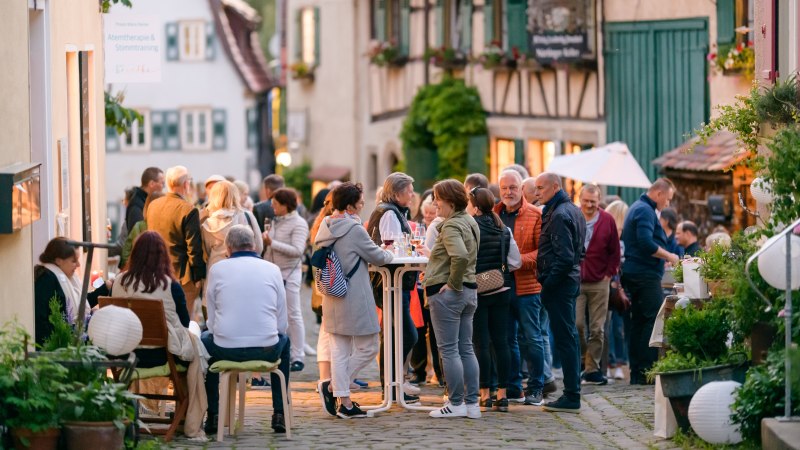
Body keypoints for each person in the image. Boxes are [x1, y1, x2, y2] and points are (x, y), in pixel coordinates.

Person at [314, 182, 394, 418]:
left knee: (339, 350)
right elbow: (378, 257)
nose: (363, 204)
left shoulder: (325, 227)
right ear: (349, 206)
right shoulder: (354, 229)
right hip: (354, 295)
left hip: (332, 293)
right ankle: (334, 388)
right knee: (369, 346)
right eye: (359, 201)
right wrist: (392, 252)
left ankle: (344, 401)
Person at [202, 225, 291, 434]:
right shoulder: (273, 269)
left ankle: (214, 415)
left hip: (225, 348)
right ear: (254, 245)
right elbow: (282, 321)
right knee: (286, 341)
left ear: (228, 248)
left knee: (205, 342)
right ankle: (279, 412)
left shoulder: (217, 269)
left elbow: (211, 319)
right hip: (266, 349)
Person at [424, 179, 481, 419]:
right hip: (469, 292)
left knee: (449, 350)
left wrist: (451, 284)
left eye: (437, 197)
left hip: (451, 294)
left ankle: (456, 403)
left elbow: (459, 256)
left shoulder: (451, 225)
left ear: (449, 200)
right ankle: (472, 404)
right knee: (465, 348)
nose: (435, 202)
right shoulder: (469, 220)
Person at [493, 170, 550, 406]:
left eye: (513, 187)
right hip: (500, 287)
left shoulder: (535, 214)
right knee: (507, 340)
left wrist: (518, 261)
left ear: (521, 189)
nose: (508, 192)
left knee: (532, 338)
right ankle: (514, 387)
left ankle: (536, 388)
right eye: (504, 188)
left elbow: (542, 251)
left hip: (528, 286)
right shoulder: (492, 214)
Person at [366, 172, 421, 402]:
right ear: (397, 192)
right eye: (408, 190)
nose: (412, 194)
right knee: (404, 334)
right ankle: (392, 383)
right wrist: (413, 253)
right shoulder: (389, 213)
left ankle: (392, 385)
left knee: (393, 333)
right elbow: (392, 250)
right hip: (392, 282)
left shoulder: (389, 210)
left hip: (394, 282)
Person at [535, 172, 586, 413]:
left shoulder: (560, 214)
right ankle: (571, 393)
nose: (537, 193)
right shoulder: (571, 210)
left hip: (561, 284)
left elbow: (566, 257)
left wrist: (548, 285)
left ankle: (571, 395)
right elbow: (579, 251)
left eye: (541, 188)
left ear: (556, 187)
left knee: (566, 339)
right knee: (568, 338)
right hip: (568, 281)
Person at [621, 178, 680, 385]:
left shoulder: (638, 208)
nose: (668, 205)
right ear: (658, 194)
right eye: (668, 199)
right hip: (643, 275)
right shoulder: (645, 211)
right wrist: (670, 256)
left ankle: (637, 372)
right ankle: (646, 371)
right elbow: (646, 243)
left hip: (637, 272)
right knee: (652, 319)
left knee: (639, 321)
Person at [469, 187, 522, 412]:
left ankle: (484, 393)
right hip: (501, 289)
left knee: (481, 342)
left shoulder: (471, 228)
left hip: (477, 291)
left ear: (476, 206)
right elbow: (516, 262)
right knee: (501, 342)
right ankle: (502, 394)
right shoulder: (504, 229)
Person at [145, 165, 206, 317]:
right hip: (182, 275)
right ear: (186, 184)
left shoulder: (153, 205)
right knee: (183, 320)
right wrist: (199, 276)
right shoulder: (188, 209)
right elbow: (193, 247)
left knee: (161, 319)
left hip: (156, 272)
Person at [576, 184, 620, 386]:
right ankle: (584, 361)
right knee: (577, 325)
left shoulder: (607, 220)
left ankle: (592, 369)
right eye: (586, 200)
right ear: (580, 199)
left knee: (597, 327)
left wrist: (609, 274)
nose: (589, 205)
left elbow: (614, 251)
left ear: (599, 200)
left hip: (599, 281)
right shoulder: (573, 216)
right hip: (576, 279)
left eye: (593, 201)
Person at [263, 188, 310, 372]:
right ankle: (280, 352)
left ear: (285, 205)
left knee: (293, 313)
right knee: (274, 314)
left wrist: (271, 243)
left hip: (289, 273)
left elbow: (298, 250)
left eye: (275, 204)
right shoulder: (276, 221)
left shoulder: (299, 223)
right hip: (272, 272)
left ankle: (298, 356)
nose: (272, 207)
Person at [34, 238, 108, 346]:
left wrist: (105, 288)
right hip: (55, 346)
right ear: (58, 260)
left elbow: (81, 304)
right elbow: (41, 320)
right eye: (74, 261)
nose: (78, 265)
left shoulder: (65, 276)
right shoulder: (46, 280)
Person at [409, 189, 443, 387]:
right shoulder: (419, 228)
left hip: (433, 282)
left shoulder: (441, 228)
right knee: (419, 330)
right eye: (427, 213)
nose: (429, 216)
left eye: (433, 212)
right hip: (419, 284)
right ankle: (419, 370)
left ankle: (439, 372)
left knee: (437, 330)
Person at [201, 180, 263, 270]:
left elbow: (205, 254)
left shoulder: (208, 223)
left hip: (216, 269)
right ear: (235, 195)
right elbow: (259, 246)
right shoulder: (247, 216)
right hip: (243, 268)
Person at [604, 200, 630, 380]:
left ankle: (614, 363)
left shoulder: (622, 236)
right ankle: (613, 363)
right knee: (611, 326)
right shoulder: (613, 234)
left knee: (613, 326)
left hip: (615, 283)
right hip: (613, 282)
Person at [121, 190, 165, 269]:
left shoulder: (139, 226)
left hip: (140, 271)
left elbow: (126, 253)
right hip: (163, 272)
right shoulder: (168, 226)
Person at [126, 167, 164, 231]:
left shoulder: (144, 201)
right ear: (151, 184)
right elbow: (137, 234)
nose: (163, 187)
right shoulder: (136, 205)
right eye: (162, 183)